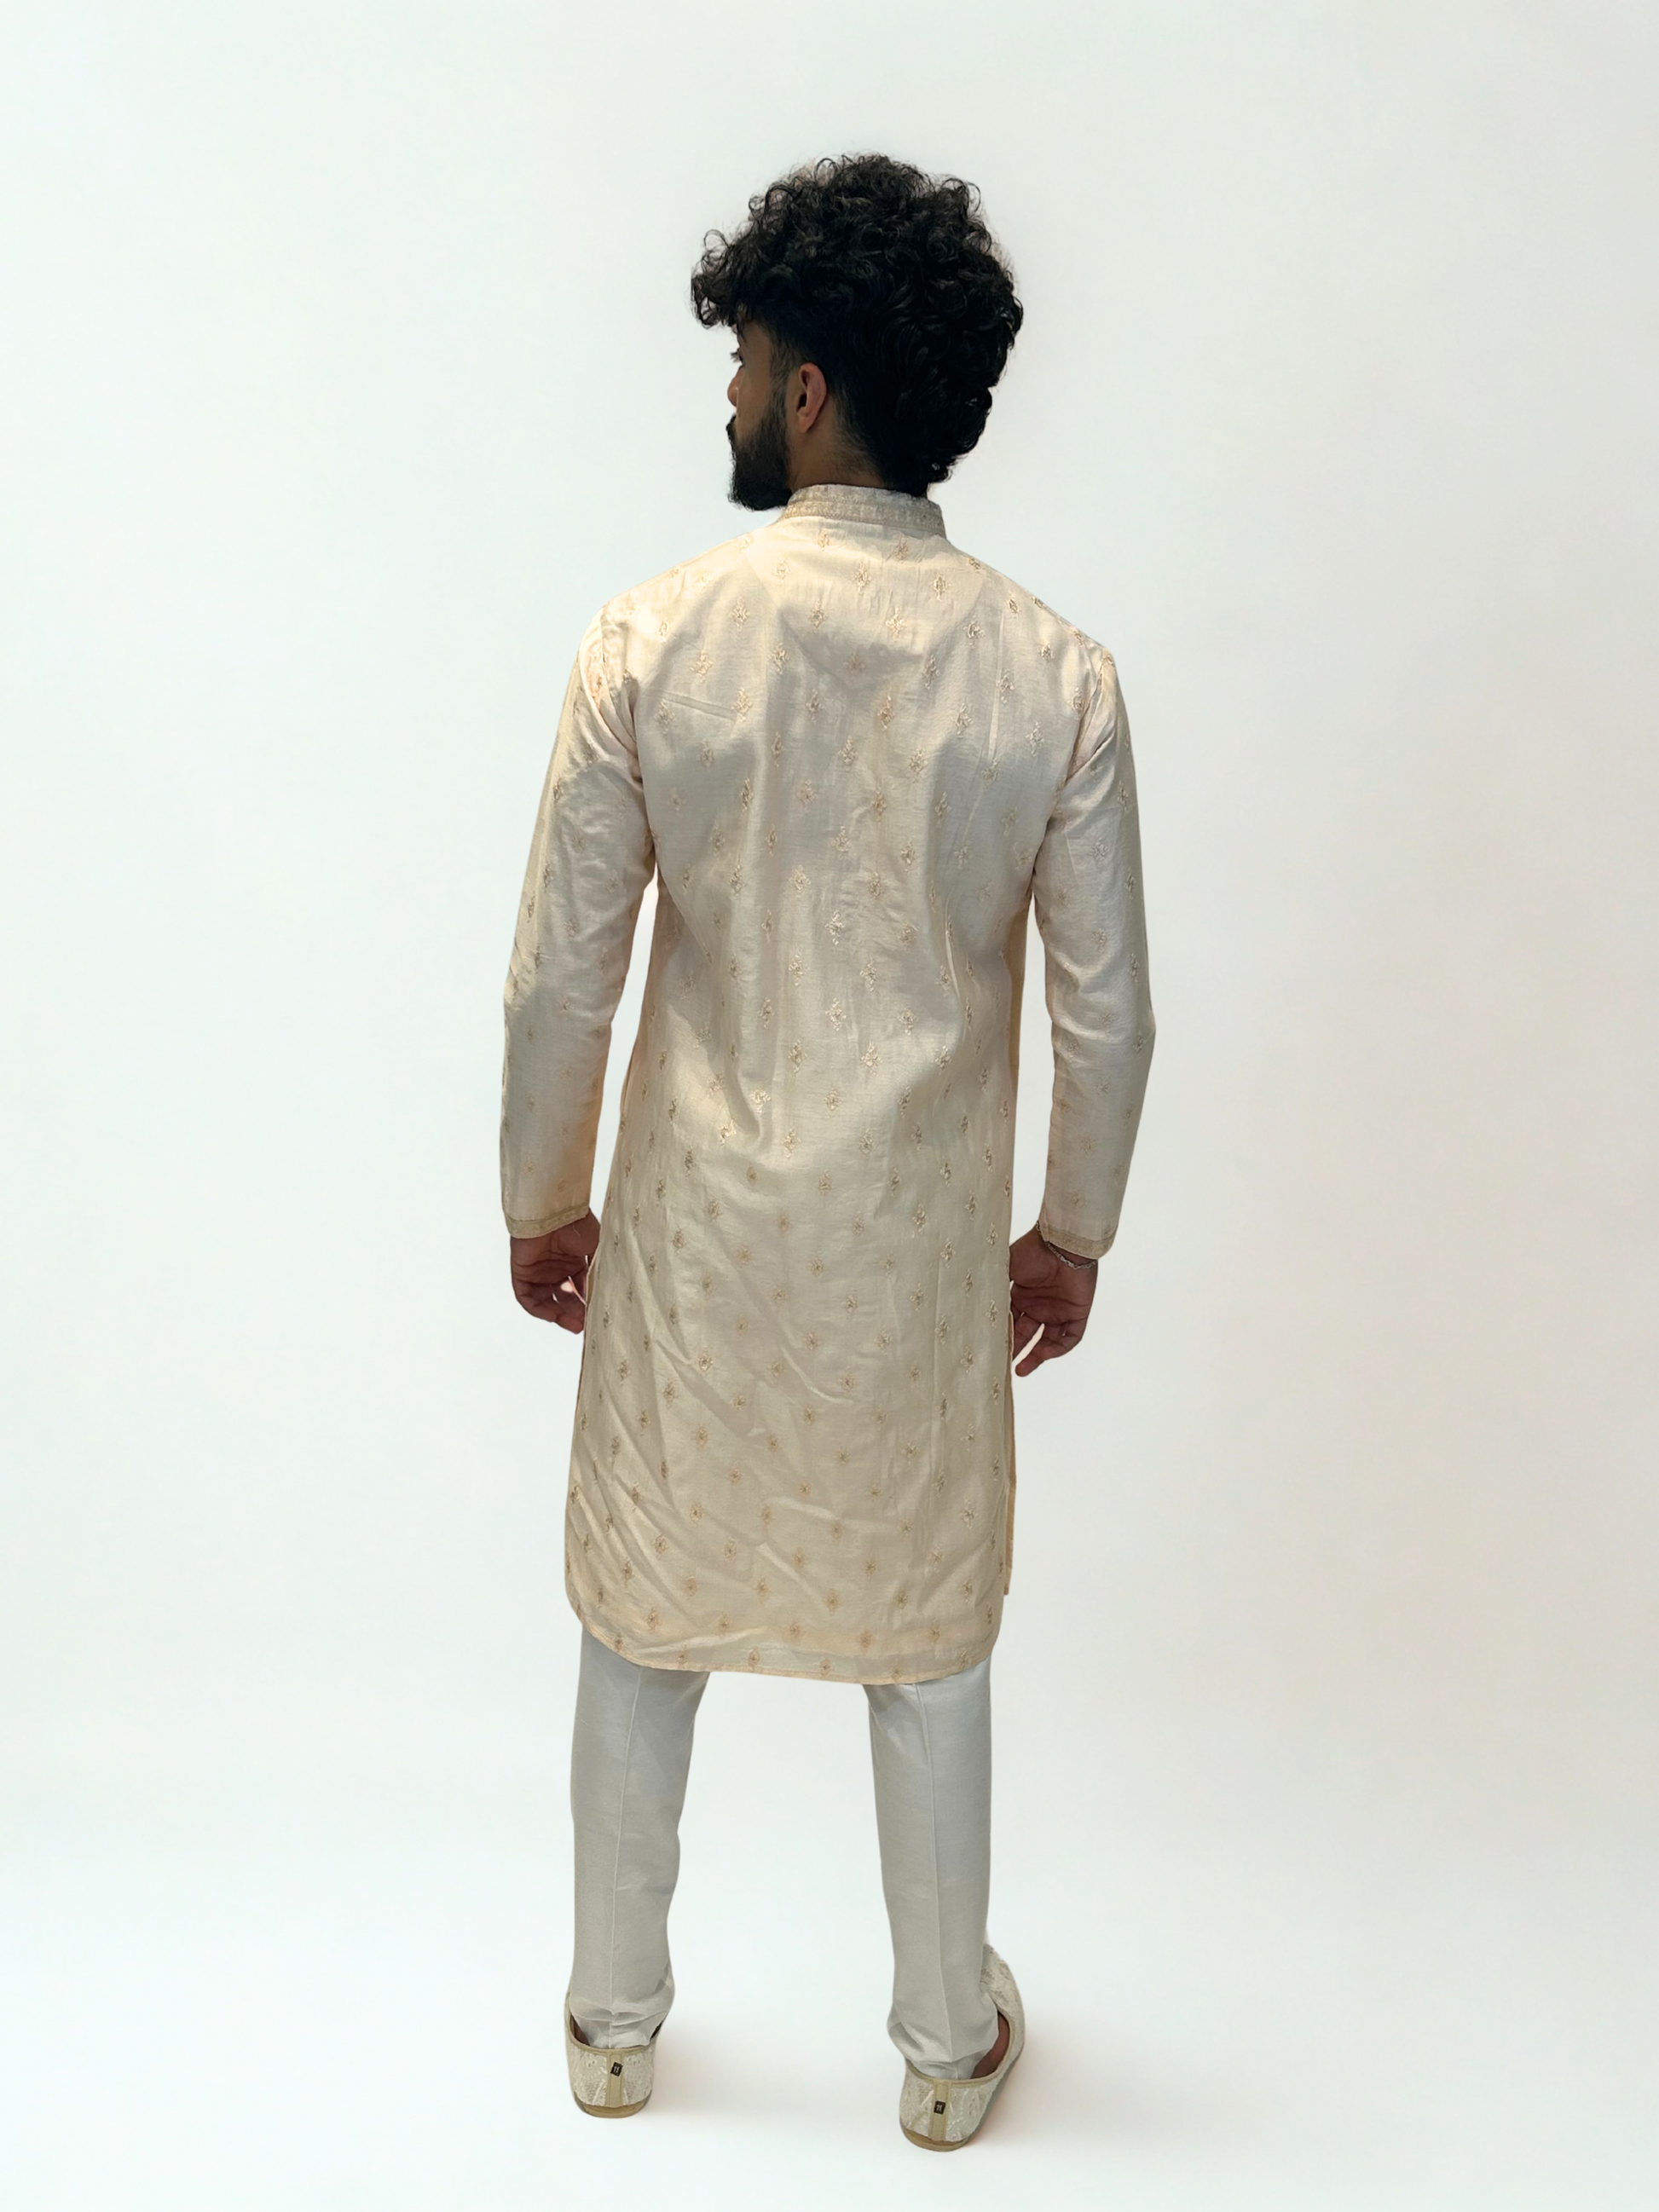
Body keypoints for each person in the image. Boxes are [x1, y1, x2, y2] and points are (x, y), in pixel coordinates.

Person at [500, 151, 1154, 2149]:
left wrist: (541, 1198)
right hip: (917, 1255)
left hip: (691, 1241)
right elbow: (1108, 1012)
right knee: (925, 1643)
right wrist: (1069, 1230)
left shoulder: (650, 641)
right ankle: (946, 2048)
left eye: (744, 359)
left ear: (807, 390)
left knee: (645, 1618)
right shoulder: (1052, 678)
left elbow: (561, 980)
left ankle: (612, 2026)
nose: (725, 393)